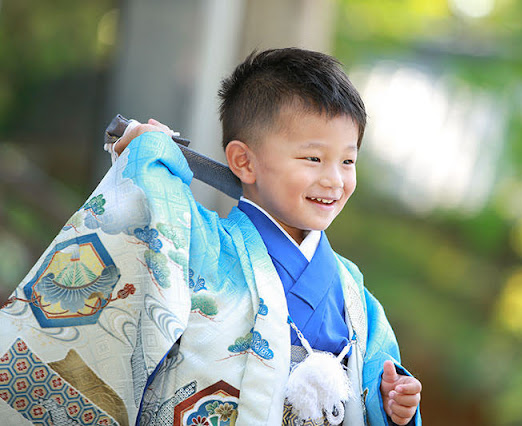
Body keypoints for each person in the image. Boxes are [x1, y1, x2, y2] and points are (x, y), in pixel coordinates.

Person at [0, 48, 420, 426]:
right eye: (313, 158)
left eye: (348, 161)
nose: (334, 179)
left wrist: (395, 404)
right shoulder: (199, 242)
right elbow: (155, 206)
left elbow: (378, 382)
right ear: (243, 161)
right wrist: (151, 152)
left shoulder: (353, 293)